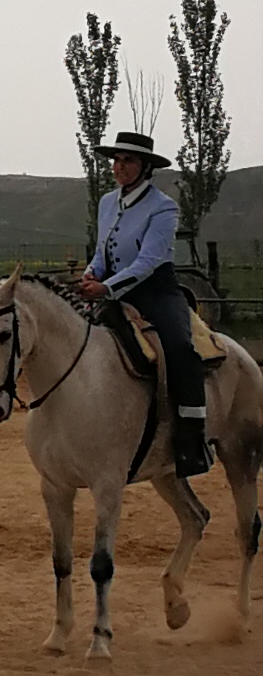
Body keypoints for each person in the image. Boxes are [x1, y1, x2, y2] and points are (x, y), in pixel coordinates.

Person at [79, 124, 213, 478]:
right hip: (108, 289)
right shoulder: (108, 203)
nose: (119, 166)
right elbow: (100, 252)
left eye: (128, 161)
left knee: (181, 349)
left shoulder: (163, 208)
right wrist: (92, 273)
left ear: (145, 167)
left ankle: (191, 440)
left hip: (156, 292)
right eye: (116, 160)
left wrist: (107, 289)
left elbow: (148, 261)